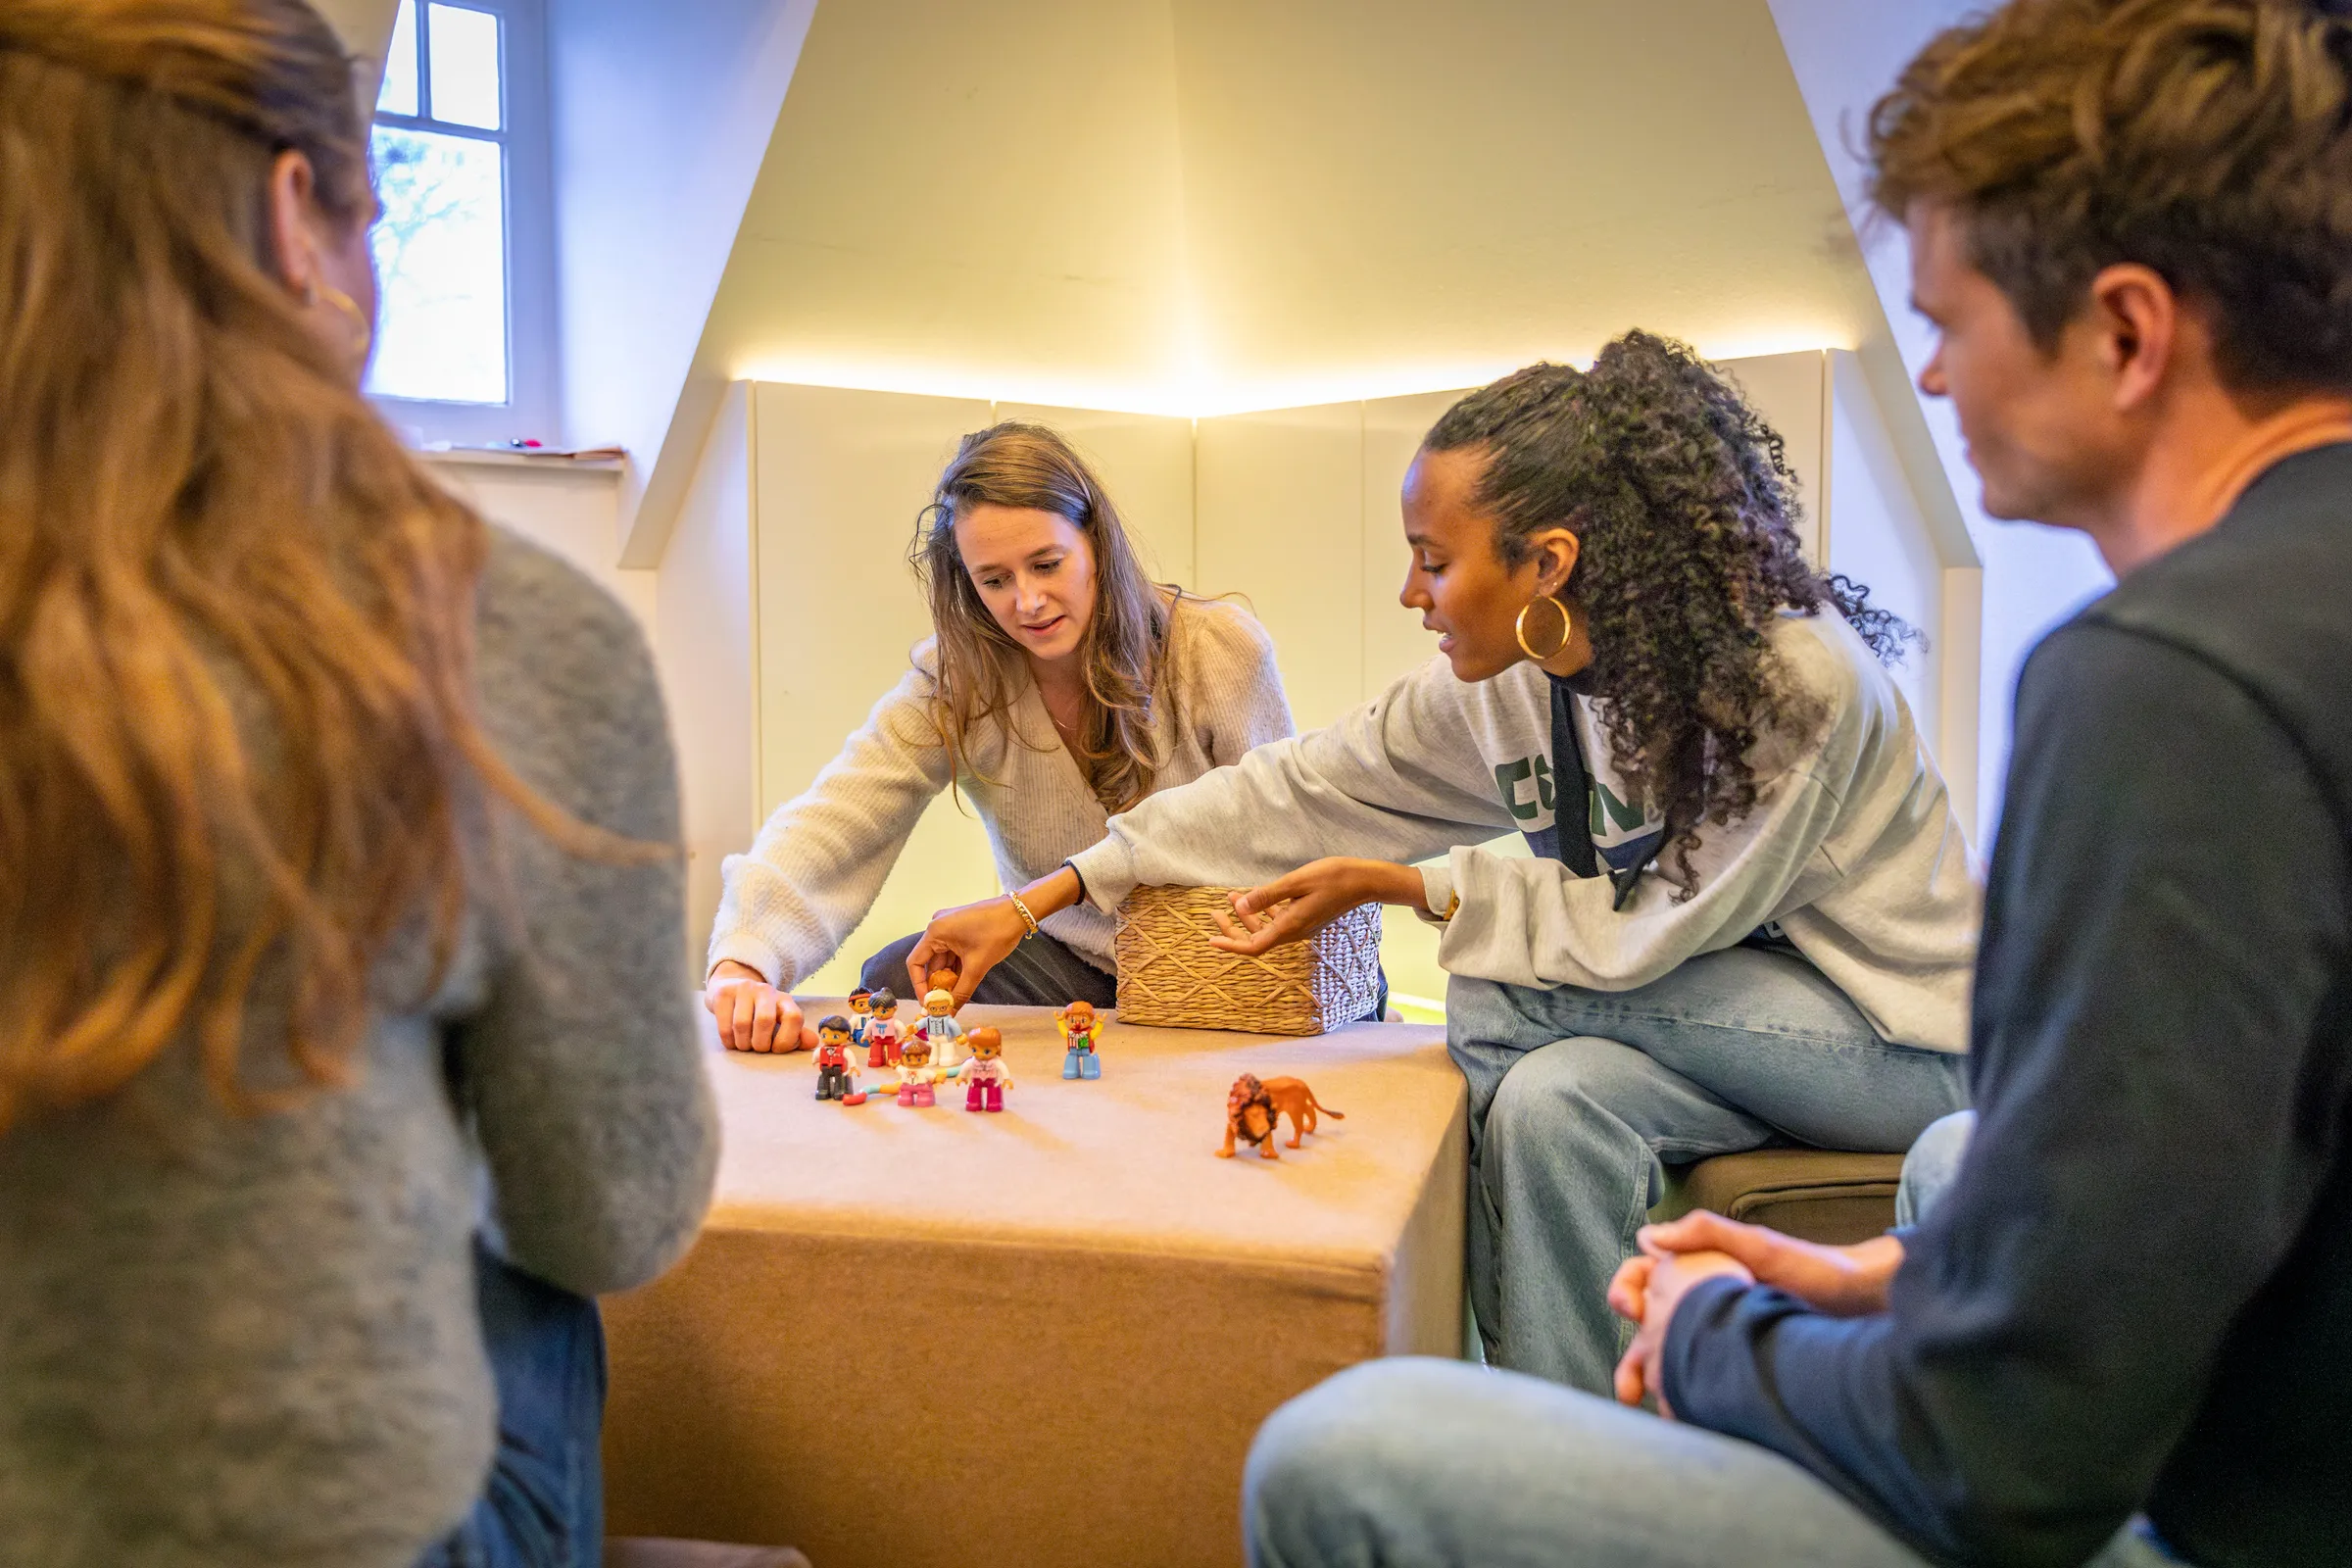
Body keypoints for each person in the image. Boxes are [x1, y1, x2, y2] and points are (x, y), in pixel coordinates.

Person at [1242, 1, 2352, 1564]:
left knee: (1344, 1449)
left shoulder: (2168, 684)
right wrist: (1902, 1282)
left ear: (2123, 330)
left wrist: (1715, 1336)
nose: (1940, 379)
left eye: (1951, 323)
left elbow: (2015, 1454)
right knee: (1589, 1101)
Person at [918, 331, 1980, 1394]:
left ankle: (1453, 1380)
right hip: (1726, 1027)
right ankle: (1563, 1444)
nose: (1411, 593)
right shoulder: (1510, 683)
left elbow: (1656, 926)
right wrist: (1040, 899)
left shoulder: (1793, 682)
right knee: (1550, 1105)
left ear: (1548, 562)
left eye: (1435, 558)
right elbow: (1295, 789)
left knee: (1493, 992)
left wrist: (1414, 884)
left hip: (1906, 1042)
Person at [0, 5, 719, 1567]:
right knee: (525, 1267)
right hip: (332, 1528)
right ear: (290, 217)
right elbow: (613, 1216)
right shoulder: (500, 631)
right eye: (370, 214)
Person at [703, 422, 1295, 1054]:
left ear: (1095, 544)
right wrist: (745, 958)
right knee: (895, 979)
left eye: (1046, 564)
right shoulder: (958, 680)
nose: (1029, 601)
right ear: (967, 583)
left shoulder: (1219, 646)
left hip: (1228, 964)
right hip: (1079, 963)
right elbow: (842, 811)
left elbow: (1276, 840)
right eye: (995, 580)